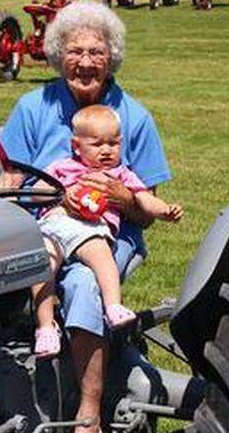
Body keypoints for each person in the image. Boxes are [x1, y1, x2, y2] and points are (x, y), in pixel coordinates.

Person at [0, 0, 172, 433]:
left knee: (82, 286)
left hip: (110, 234)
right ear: (58, 55)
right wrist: (49, 199)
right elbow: (10, 182)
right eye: (75, 51)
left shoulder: (133, 118)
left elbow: (147, 212)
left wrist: (118, 194)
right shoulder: (33, 107)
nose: (86, 62)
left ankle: (88, 417)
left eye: (97, 51)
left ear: (111, 57)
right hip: (43, 227)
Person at [33, 104, 182, 359]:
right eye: (97, 144)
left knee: (103, 256)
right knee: (41, 266)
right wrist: (61, 194)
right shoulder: (62, 168)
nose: (106, 150)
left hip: (89, 229)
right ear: (76, 146)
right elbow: (38, 190)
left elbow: (144, 198)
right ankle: (45, 327)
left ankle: (113, 306)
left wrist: (164, 210)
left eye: (113, 144)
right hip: (55, 224)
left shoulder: (120, 174)